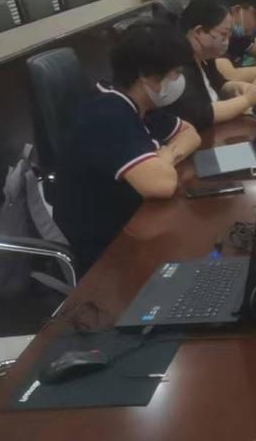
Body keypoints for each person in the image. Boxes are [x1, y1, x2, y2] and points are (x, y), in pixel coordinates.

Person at [53, 22, 201, 273]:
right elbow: (161, 184)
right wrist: (162, 162)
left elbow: (190, 134)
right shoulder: (107, 114)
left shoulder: (137, 103)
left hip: (135, 222)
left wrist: (165, 156)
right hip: (106, 255)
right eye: (175, 72)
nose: (179, 80)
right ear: (145, 75)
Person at [164, 0, 256, 132]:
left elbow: (220, 84)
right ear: (199, 31)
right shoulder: (179, 66)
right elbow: (201, 114)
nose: (227, 41)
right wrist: (247, 100)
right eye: (224, 34)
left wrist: (242, 88)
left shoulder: (205, 57)